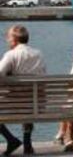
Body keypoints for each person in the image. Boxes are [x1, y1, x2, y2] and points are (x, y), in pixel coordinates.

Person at [0, 25, 46, 156]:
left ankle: (10, 139)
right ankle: (27, 143)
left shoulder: (11, 54)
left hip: (16, 103)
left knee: (21, 98)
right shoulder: (38, 53)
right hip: (37, 103)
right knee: (29, 97)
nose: (7, 40)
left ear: (14, 39)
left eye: (8, 37)